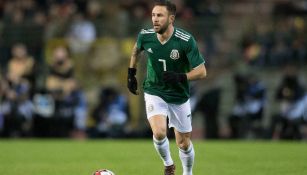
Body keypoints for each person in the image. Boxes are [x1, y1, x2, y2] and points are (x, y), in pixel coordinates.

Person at [127, 1, 206, 175]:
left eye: (160, 15)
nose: (155, 19)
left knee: (183, 144)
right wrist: (131, 73)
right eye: (153, 15)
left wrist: (181, 77)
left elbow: (201, 72)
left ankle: (187, 172)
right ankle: (169, 165)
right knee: (160, 132)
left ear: (171, 19)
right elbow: (135, 51)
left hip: (179, 96)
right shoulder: (145, 36)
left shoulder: (185, 41)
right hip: (155, 91)